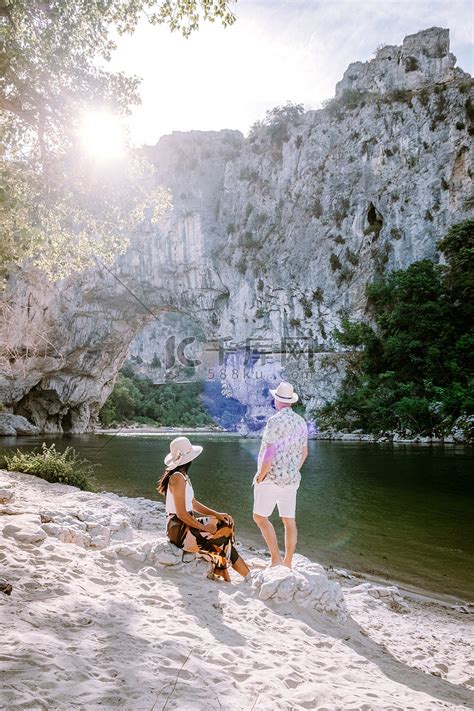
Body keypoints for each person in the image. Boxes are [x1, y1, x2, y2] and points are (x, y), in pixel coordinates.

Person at [157, 436, 250, 582]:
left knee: (226, 522)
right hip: (178, 530)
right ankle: (248, 576)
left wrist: (217, 514)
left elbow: (193, 503)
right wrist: (205, 528)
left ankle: (221, 569)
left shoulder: (184, 476)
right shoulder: (177, 478)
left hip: (186, 522)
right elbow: (181, 514)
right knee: (222, 541)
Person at [252, 382, 308, 568]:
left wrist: (261, 475)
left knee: (260, 517)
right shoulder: (301, 422)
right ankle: (289, 562)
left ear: (277, 400)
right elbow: (304, 452)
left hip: (271, 478)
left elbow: (269, 452)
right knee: (289, 521)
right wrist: (293, 470)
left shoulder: (274, 421)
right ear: (290, 401)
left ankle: (275, 559)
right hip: (291, 480)